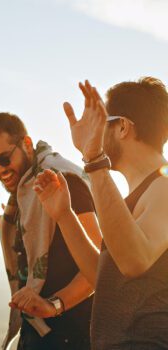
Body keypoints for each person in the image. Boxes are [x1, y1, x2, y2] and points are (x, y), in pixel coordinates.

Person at [21, 78, 168, 349]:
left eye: (103, 123)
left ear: (122, 127)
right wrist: (64, 215)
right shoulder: (132, 198)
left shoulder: (165, 187)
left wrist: (93, 159)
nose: (96, 132)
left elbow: (134, 261)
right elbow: (105, 279)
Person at [0, 113, 101, 350]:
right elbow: (47, 240)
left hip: (71, 334)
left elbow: (97, 265)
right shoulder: (26, 189)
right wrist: (4, 226)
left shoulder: (62, 180)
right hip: (37, 331)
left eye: (3, 159)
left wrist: (54, 305)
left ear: (26, 144)